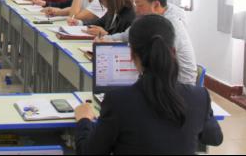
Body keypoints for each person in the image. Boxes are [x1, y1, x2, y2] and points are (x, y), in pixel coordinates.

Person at [74, 15, 223, 154]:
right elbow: (215, 138)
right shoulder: (199, 97)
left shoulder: (118, 101)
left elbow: (89, 152)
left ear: (132, 55)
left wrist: (84, 120)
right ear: (173, 52)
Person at [104, 0, 198, 85]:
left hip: (178, 84)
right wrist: (107, 39)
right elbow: (127, 35)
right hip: (160, 79)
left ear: (156, 5)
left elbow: (157, 65)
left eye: (140, 5)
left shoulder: (169, 25)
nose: (136, 10)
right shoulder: (153, 16)